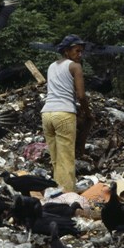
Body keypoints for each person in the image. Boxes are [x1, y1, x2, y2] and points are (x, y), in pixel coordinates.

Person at [41, 34, 93, 193]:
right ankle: (68, 196)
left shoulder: (51, 66)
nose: (80, 54)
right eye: (77, 51)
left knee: (56, 159)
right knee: (67, 159)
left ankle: (56, 192)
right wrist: (88, 113)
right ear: (66, 52)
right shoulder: (75, 66)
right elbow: (81, 96)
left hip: (47, 114)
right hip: (63, 114)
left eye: (81, 51)